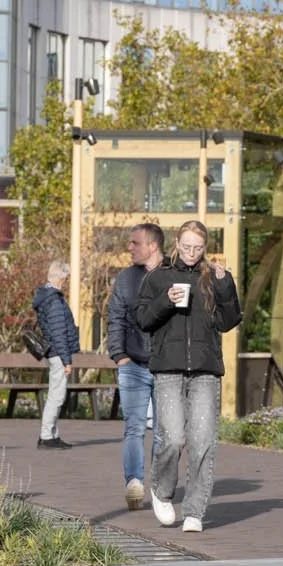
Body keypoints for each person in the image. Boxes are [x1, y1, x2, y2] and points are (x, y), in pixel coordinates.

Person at [135, 220, 241, 530]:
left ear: (205, 247)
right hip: (168, 367)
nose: (192, 253)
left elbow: (229, 321)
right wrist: (166, 300)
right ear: (177, 244)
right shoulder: (159, 278)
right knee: (173, 438)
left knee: (203, 440)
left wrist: (225, 284)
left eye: (198, 247)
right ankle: (162, 490)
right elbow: (143, 319)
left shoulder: (213, 278)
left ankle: (194, 511)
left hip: (206, 370)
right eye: (186, 246)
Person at [105, 222, 165, 509]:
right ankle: (134, 483)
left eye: (135, 243)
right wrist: (119, 355)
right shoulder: (126, 279)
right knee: (134, 428)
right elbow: (115, 317)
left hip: (166, 367)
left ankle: (160, 486)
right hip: (133, 365)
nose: (129, 247)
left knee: (166, 431)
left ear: (152, 246)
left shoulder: (173, 275)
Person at [32, 260, 80, 451]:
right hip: (58, 354)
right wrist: (67, 361)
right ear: (60, 277)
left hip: (55, 353)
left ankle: (53, 434)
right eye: (65, 279)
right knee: (57, 396)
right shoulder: (54, 301)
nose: (66, 283)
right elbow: (59, 333)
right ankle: (46, 436)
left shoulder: (48, 297)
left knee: (56, 393)